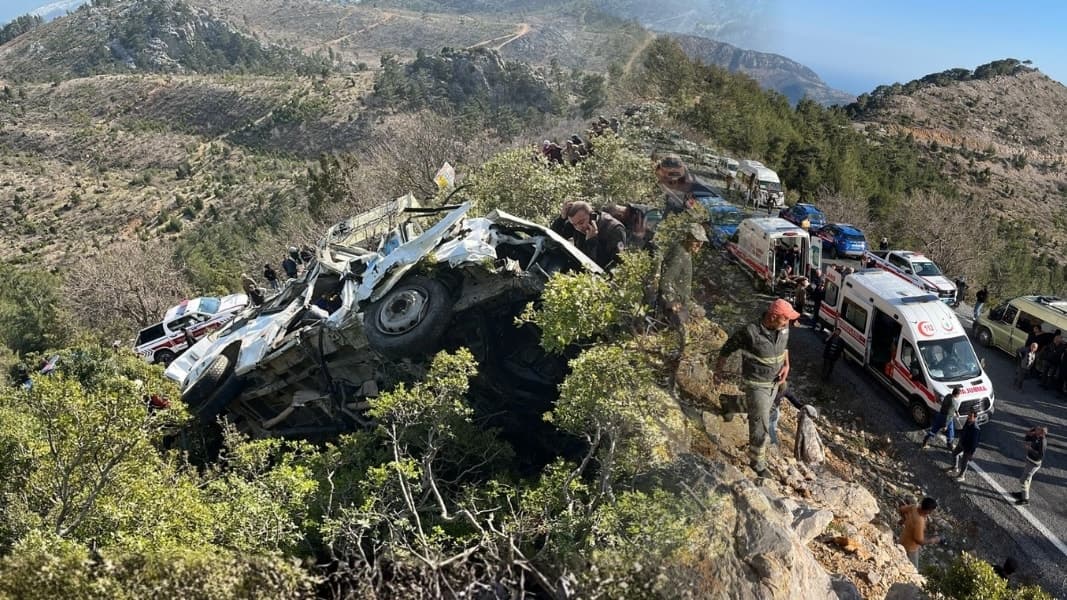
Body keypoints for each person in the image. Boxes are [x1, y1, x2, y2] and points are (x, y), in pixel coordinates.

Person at [714, 299, 798, 477]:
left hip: (775, 381)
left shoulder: (782, 327)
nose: (788, 323)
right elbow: (727, 348)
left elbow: (785, 345)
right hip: (756, 382)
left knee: (765, 405)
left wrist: (787, 365)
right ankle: (757, 463)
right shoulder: (749, 332)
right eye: (785, 319)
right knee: (761, 421)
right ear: (773, 316)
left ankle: (730, 403)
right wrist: (718, 372)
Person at [658, 224, 706, 327]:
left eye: (701, 241)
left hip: (683, 300)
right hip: (673, 304)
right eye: (696, 240)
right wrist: (672, 301)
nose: (699, 244)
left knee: (701, 313)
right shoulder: (680, 254)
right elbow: (666, 281)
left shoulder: (685, 252)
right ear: (687, 238)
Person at [566, 201, 627, 270]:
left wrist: (591, 242)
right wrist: (561, 218)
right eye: (574, 224)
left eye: (581, 222)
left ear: (592, 216)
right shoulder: (579, 228)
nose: (579, 227)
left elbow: (617, 264)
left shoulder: (614, 229)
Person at [898, 497, 941, 569]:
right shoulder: (919, 521)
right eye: (931, 511)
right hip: (910, 549)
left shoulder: (913, 507)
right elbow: (919, 541)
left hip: (902, 540)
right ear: (928, 511)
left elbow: (901, 509)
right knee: (913, 569)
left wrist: (904, 519)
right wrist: (934, 540)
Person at [1011, 426, 1047, 506]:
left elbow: (1040, 456)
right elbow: (1026, 439)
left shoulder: (1042, 442)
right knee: (1027, 479)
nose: (1035, 430)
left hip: (1034, 464)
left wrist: (1030, 449)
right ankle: (1023, 494)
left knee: (1023, 480)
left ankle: (1025, 500)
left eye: (1037, 429)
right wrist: (1029, 432)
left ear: (1041, 433)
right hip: (1030, 461)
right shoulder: (1035, 436)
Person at [768, 381, 806, 446]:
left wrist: (801, 406)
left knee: (773, 423)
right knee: (770, 425)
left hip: (775, 408)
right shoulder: (770, 387)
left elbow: (791, 397)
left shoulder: (784, 388)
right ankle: (772, 442)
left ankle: (772, 440)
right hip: (767, 407)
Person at [949, 410, 980, 481]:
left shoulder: (975, 429)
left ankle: (961, 476)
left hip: (968, 448)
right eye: (968, 415)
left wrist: (971, 454)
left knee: (964, 462)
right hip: (961, 443)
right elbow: (963, 430)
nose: (968, 417)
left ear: (975, 418)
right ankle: (955, 467)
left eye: (970, 416)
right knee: (954, 453)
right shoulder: (968, 421)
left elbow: (974, 443)